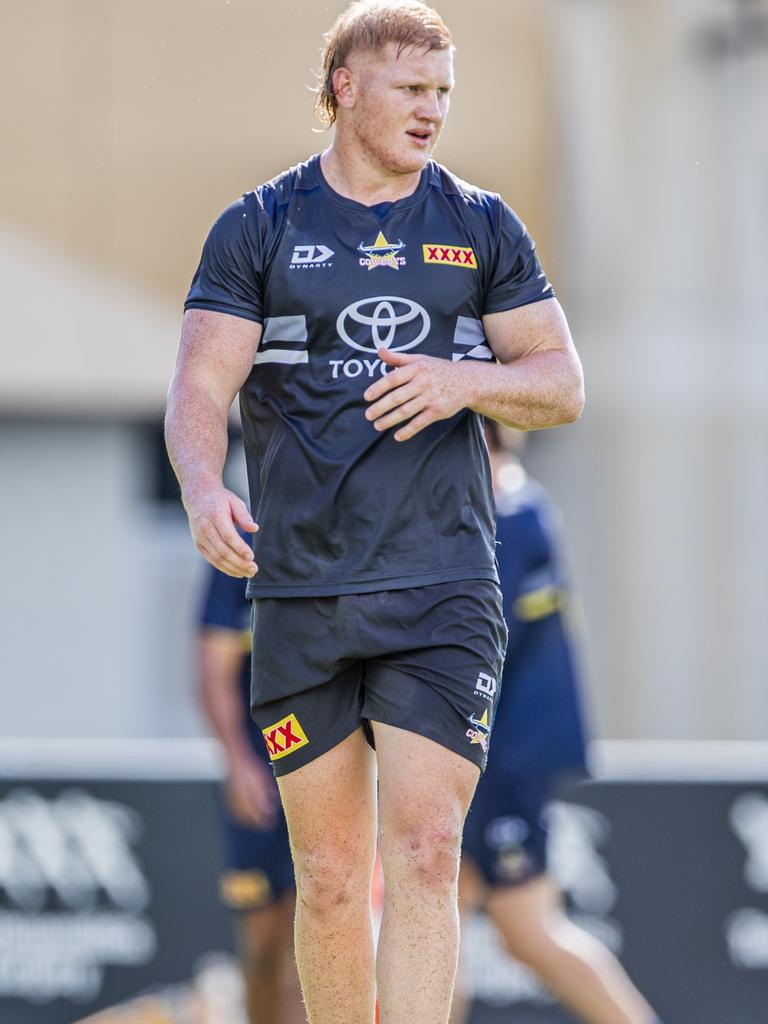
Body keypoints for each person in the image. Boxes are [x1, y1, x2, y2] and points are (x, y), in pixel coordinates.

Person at [165, 2, 585, 1021]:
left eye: (444, 92)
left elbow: (562, 382)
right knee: (334, 876)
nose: (433, 109)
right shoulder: (259, 226)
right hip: (304, 590)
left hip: (443, 583)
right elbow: (199, 389)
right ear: (346, 88)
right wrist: (204, 485)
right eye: (412, 88)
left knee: (429, 849)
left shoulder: (479, 223)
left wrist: (462, 381)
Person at [451, 423, 661, 1024]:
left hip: (503, 756)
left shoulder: (507, 516)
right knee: (440, 917)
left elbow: (471, 646)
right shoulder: (522, 505)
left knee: (527, 930)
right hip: (497, 749)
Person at [197, 558, 304, 1024]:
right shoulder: (242, 545)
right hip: (262, 773)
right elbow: (211, 670)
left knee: (315, 940)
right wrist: (238, 763)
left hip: (333, 766)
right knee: (262, 945)